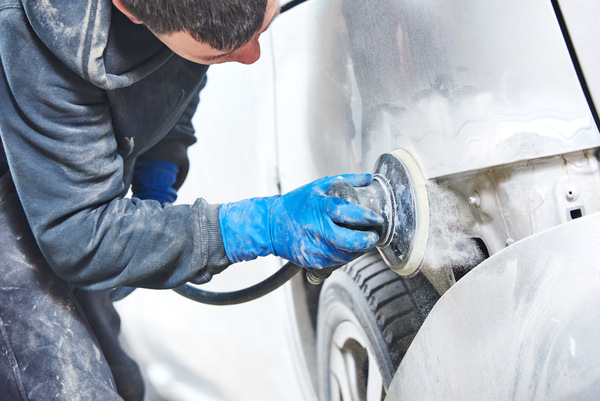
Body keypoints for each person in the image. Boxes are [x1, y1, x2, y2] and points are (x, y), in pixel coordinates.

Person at [0, 0, 382, 399]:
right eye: (221, 53)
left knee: (124, 382)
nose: (253, 56)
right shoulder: (36, 40)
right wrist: (256, 227)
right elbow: (80, 235)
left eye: (264, 25)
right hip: (15, 180)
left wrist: (162, 160)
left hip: (67, 179)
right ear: (132, 11)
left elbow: (170, 77)